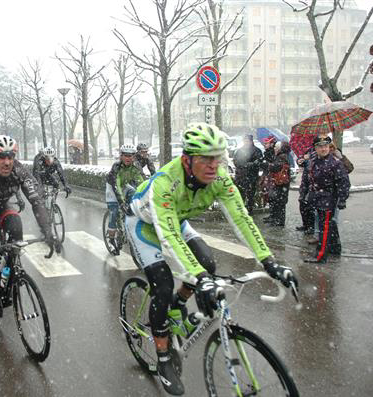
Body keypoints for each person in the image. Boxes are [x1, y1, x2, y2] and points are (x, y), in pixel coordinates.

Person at [126, 122, 298, 395]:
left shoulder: (219, 178)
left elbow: (242, 219)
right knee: (161, 283)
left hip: (176, 219)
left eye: (217, 158)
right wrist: (203, 281)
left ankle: (178, 303)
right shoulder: (165, 184)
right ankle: (163, 357)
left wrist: (270, 262)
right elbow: (169, 237)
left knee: (208, 264)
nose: (213, 165)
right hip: (144, 225)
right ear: (186, 160)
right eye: (205, 158)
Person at [0, 135, 57, 331]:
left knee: (15, 223)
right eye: (1, 157)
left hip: (1, 208)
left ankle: (8, 271)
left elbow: (37, 201)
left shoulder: (19, 170)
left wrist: (47, 230)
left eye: (11, 156)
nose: (7, 162)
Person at [304, 136, 350, 264]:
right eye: (320, 146)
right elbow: (308, 179)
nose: (323, 148)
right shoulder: (314, 160)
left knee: (324, 227)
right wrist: (305, 194)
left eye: (326, 146)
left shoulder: (335, 163)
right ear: (315, 148)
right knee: (330, 224)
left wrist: (342, 199)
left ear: (329, 146)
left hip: (328, 199)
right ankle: (335, 248)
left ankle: (320, 255)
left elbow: (344, 182)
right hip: (317, 198)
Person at [105, 144, 145, 254]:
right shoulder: (116, 167)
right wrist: (122, 202)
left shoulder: (136, 166)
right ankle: (112, 238)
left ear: (134, 156)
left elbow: (142, 182)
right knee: (114, 211)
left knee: (134, 194)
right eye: (125, 155)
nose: (128, 158)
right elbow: (116, 186)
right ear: (121, 156)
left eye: (131, 155)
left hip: (125, 185)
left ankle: (128, 222)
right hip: (113, 187)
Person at [232, 134, 263, 215]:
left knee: (250, 195)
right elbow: (236, 161)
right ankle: (241, 210)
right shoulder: (239, 151)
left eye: (247, 140)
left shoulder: (257, 151)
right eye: (244, 140)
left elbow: (258, 163)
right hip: (241, 176)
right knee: (240, 194)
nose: (246, 142)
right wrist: (244, 165)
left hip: (251, 177)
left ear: (251, 141)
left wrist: (248, 165)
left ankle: (249, 210)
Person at [266, 141, 291, 226]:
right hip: (280, 184)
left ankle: (279, 221)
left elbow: (276, 167)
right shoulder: (280, 156)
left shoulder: (282, 157)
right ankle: (276, 219)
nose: (274, 148)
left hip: (281, 184)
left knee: (280, 202)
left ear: (280, 149)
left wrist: (269, 165)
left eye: (276, 147)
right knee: (277, 201)